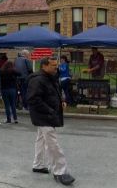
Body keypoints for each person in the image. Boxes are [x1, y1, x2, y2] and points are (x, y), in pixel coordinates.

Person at [27, 57, 75, 186]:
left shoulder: (49, 77)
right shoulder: (37, 79)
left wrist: (62, 100)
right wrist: (50, 110)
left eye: (56, 65)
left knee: (41, 139)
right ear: (44, 66)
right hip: (43, 116)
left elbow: (55, 91)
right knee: (52, 143)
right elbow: (33, 99)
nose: (56, 67)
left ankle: (38, 164)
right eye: (53, 65)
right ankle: (60, 171)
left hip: (47, 114)